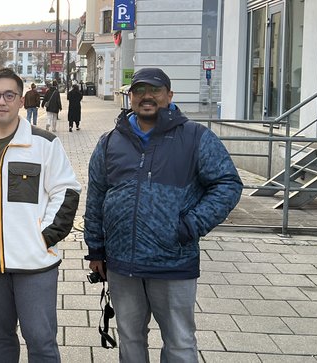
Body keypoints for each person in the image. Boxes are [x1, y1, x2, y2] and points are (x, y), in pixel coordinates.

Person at [84, 68, 242, 363]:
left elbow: (227, 184)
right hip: (122, 262)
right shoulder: (109, 142)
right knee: (130, 339)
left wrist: (190, 225)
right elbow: (96, 197)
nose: (147, 96)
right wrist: (96, 248)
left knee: (180, 341)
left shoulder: (196, 138)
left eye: (155, 90)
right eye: (139, 91)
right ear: (130, 97)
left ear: (169, 96)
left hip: (172, 261)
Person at [0, 67, 81, 362]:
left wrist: (43, 237)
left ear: (21, 100)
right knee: (0, 338)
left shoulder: (44, 144)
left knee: (41, 340)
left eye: (9, 95)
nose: (1, 101)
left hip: (34, 264)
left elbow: (67, 191)